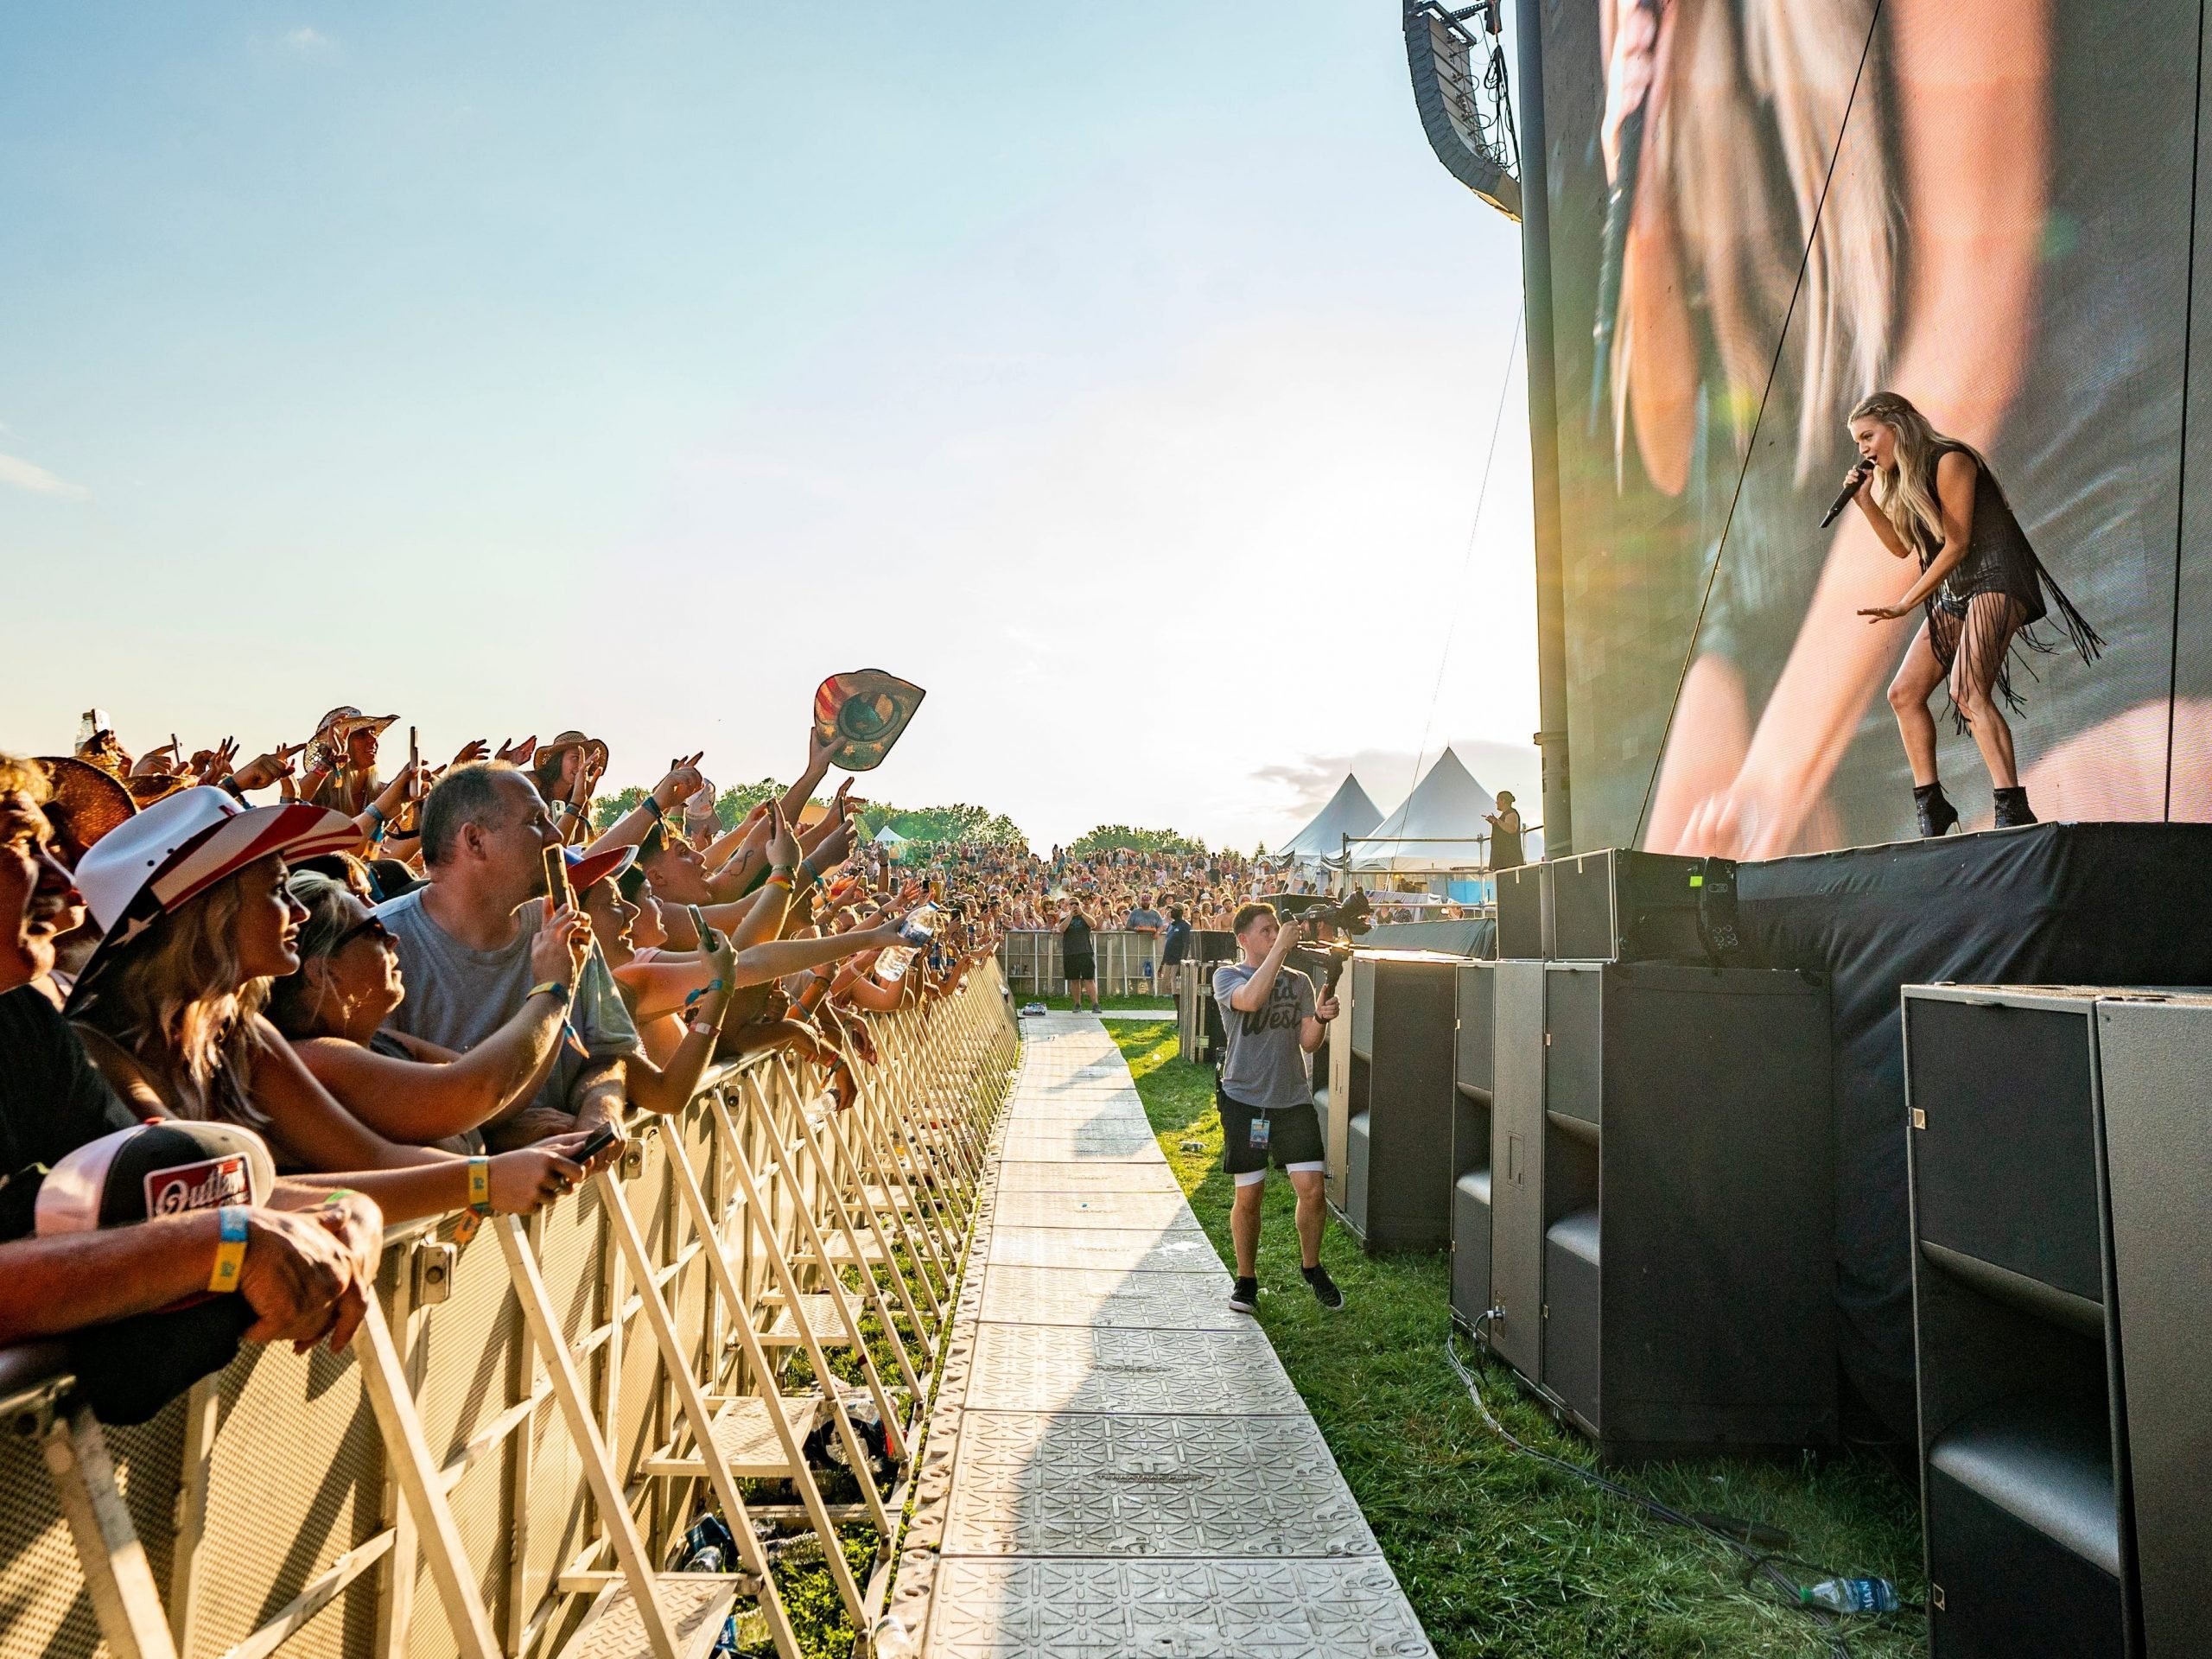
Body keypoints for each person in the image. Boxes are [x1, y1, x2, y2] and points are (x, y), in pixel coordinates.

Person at [0, 757, 382, 1373]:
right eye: (23, 844)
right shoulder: (91, 1037)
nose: (67, 888)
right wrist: (230, 1243)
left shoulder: (22, 1026)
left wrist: (345, 1212)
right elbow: (200, 1221)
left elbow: (161, 1195)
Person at [1843, 391, 2102, 833]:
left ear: (1898, 425)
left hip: (1997, 576)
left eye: (1868, 436)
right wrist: (1866, 502)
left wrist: (1906, 602)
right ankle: (1931, 804)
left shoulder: (1950, 460)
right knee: (1903, 694)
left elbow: (1958, 543)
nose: (1864, 449)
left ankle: (2011, 803)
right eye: (1858, 443)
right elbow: (1903, 547)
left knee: (1968, 689)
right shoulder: (1905, 480)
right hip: (1956, 588)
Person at [372, 762, 641, 1150]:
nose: (554, 836)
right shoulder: (380, 943)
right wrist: (495, 1138)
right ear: (475, 841)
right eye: (536, 821)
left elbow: (608, 1056)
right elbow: (384, 1102)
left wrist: (600, 1113)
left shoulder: (563, 926)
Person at [1213, 900, 1342, 1313]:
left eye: (1276, 930)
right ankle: (1246, 1278)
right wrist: (1282, 951)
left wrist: (1320, 1017)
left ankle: (1312, 1266)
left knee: (1313, 1190)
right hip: (1245, 1100)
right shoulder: (1227, 976)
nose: (1274, 935)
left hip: (1292, 1100)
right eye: (1265, 931)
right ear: (1243, 939)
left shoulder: (1300, 981)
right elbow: (1250, 1001)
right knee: (1250, 1195)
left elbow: (1308, 1043)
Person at [1058, 900, 1099, 1014]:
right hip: (1070, 952)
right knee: (1074, 980)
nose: (1074, 906)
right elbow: (1061, 929)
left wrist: (1082, 913)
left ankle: (1095, 1004)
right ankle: (1077, 1004)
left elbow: (1093, 924)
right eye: (1072, 904)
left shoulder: (1085, 917)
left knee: (1089, 979)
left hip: (1085, 951)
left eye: (1076, 903)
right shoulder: (1065, 919)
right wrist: (1071, 915)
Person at [1484, 791, 1523, 870]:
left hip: (1509, 859)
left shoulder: (1511, 814)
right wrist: (1494, 822)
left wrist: (1497, 821)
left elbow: (1511, 829)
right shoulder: (1505, 815)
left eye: (1498, 800)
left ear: (1503, 801)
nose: (1496, 803)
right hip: (1502, 858)